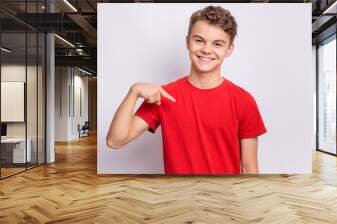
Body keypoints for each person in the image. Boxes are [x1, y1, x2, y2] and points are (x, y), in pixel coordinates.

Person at [106, 5, 267, 174]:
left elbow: (249, 168)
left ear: (229, 50)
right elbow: (115, 141)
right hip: (177, 198)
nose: (206, 50)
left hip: (225, 199)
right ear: (187, 42)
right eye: (199, 40)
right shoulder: (163, 95)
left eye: (217, 44)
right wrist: (134, 91)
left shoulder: (243, 100)